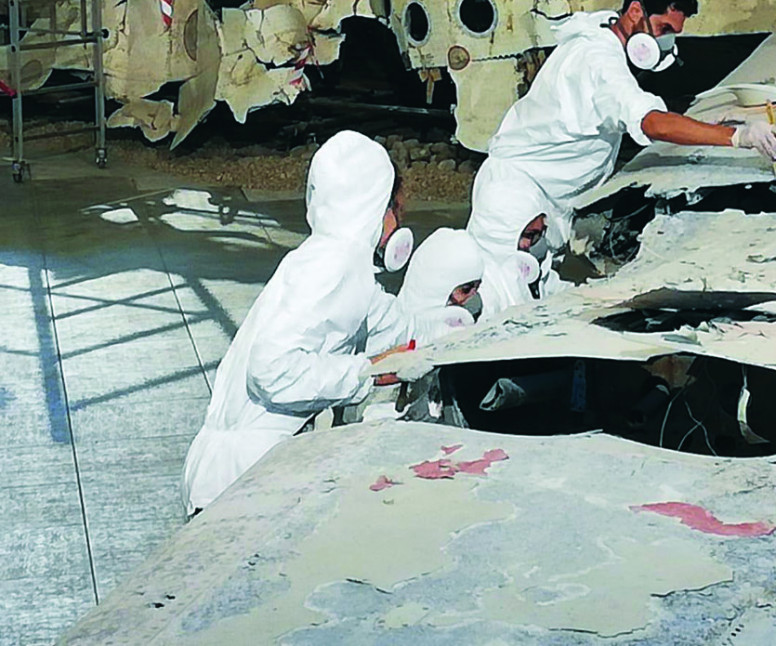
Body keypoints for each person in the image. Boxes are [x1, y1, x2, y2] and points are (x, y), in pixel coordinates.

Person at [181, 130, 420, 516]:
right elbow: (271, 368)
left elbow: (397, 327)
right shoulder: (337, 266)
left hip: (228, 476)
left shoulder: (326, 259)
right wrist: (366, 373)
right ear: (377, 208)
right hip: (244, 484)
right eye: (396, 209)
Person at [479, 0, 776, 244]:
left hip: (546, 200)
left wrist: (704, 122)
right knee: (499, 294)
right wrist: (739, 138)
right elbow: (651, 122)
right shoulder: (599, 61)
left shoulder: (603, 34)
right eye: (664, 29)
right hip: (516, 203)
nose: (667, 43)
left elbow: (638, 109)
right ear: (636, 11)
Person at [468, 159, 562, 316]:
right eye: (527, 235)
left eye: (538, 235)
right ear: (499, 231)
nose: (528, 244)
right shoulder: (478, 292)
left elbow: (554, 289)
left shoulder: (531, 271)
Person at [396, 227, 484, 345]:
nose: (472, 296)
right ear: (439, 289)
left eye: (477, 288)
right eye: (466, 290)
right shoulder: (388, 332)